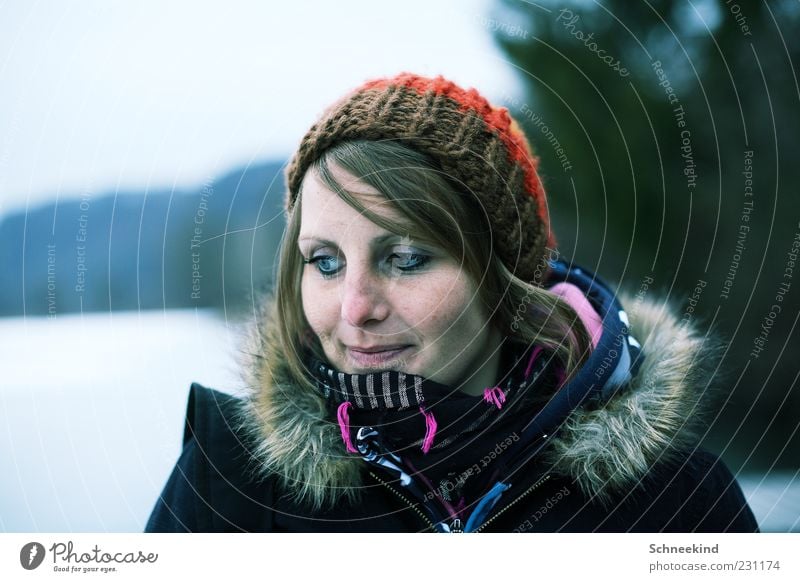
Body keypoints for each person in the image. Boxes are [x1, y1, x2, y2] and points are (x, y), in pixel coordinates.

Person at [145, 72, 758, 533]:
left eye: (406, 258)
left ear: (502, 278)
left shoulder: (681, 506)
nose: (354, 309)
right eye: (325, 263)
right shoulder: (227, 488)